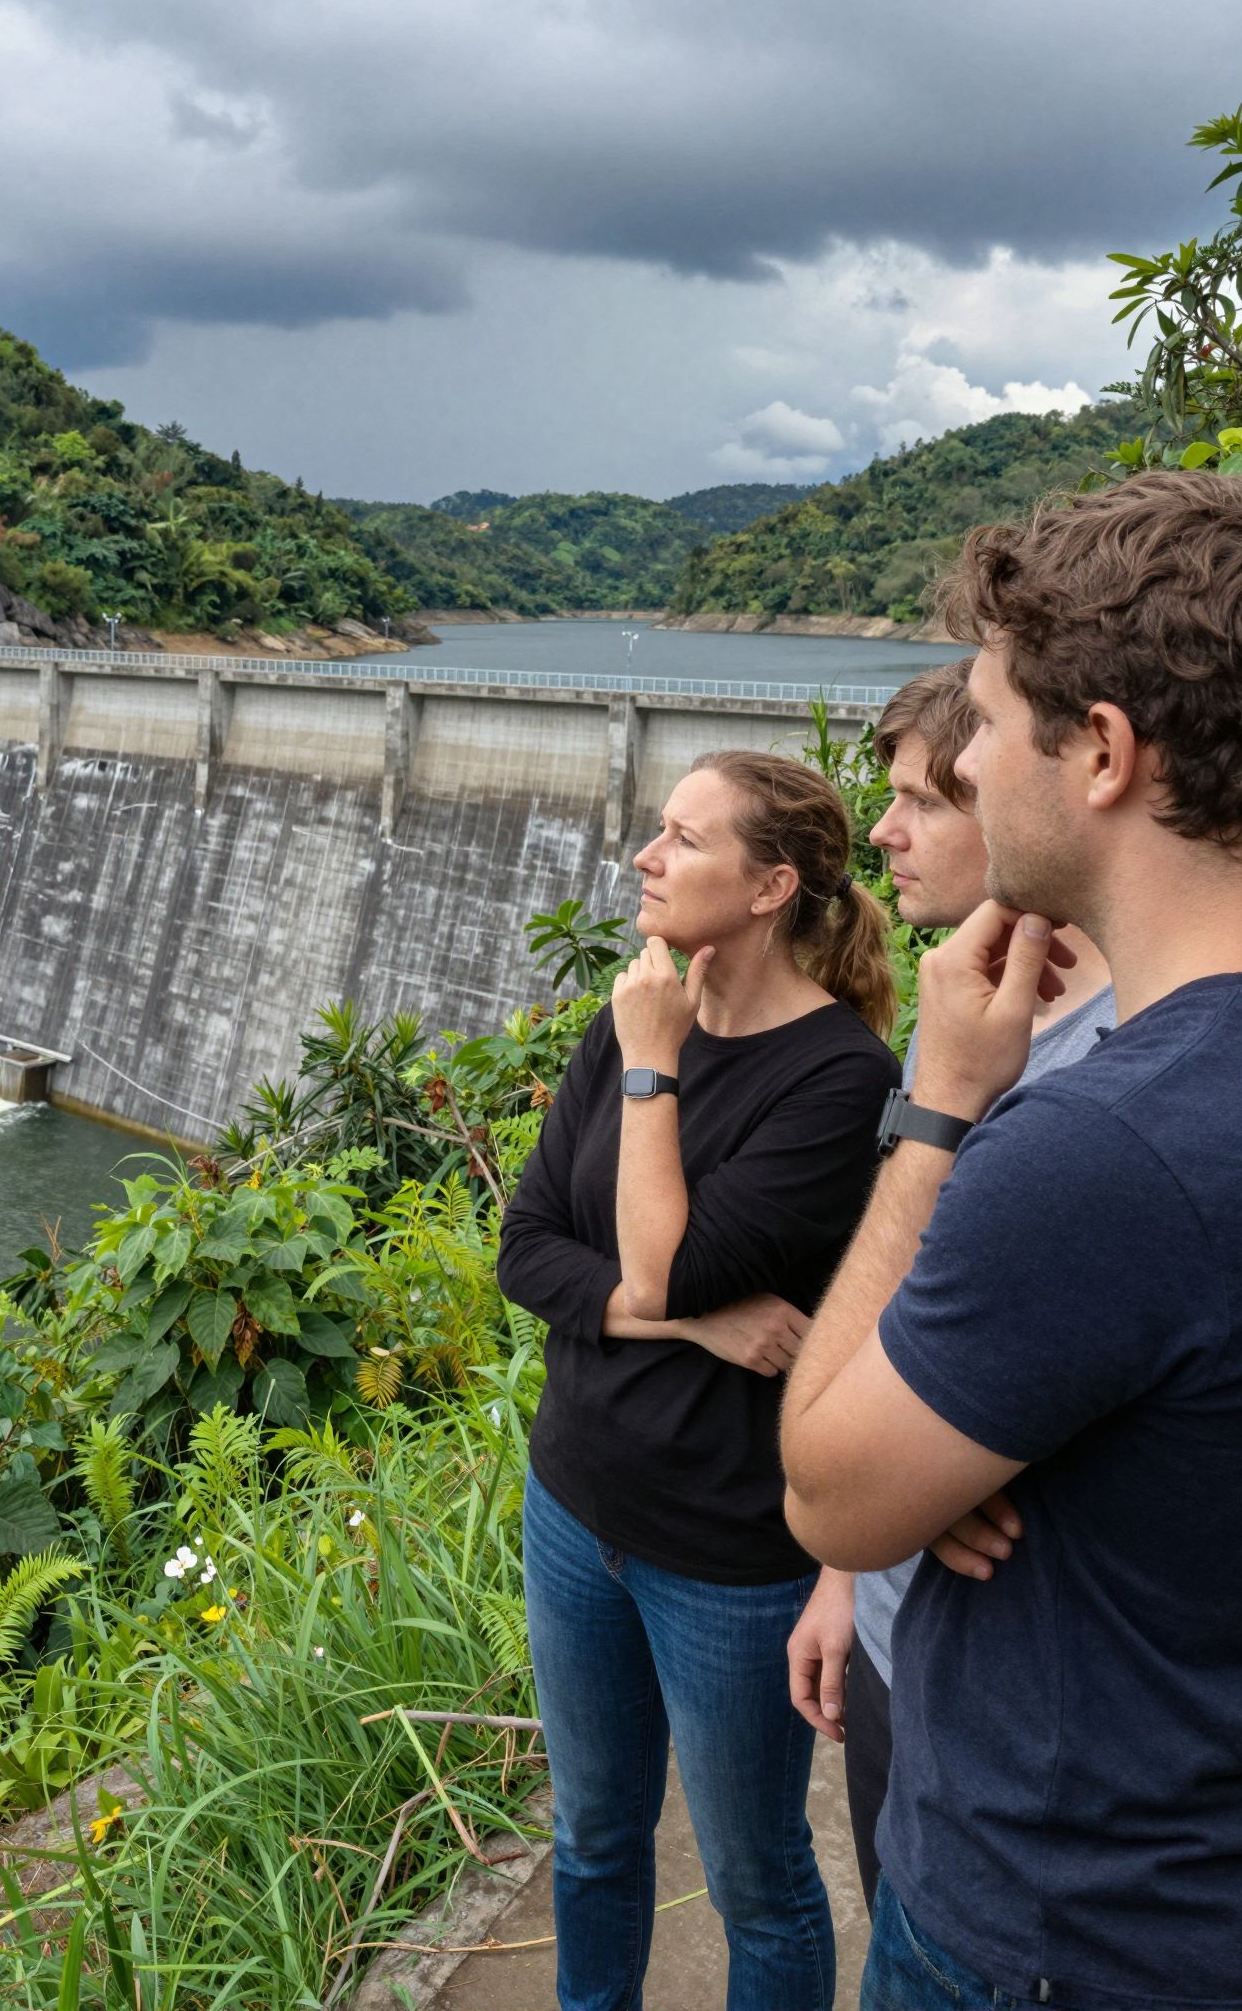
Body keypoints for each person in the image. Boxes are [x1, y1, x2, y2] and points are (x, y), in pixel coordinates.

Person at [781, 470, 1242, 2011]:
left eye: (991, 727)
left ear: (1106, 755)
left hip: (1070, 1936)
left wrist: (936, 1111)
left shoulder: (1113, 1148)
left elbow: (831, 1488)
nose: (970, 762)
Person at [497, 748, 900, 2011]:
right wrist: (690, 1330)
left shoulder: (838, 1081)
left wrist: (655, 1067)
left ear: (772, 885)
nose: (645, 856)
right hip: (574, 1504)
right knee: (593, 1837)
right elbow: (526, 1250)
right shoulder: (624, 1019)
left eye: (682, 837)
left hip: (729, 1554)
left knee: (757, 1880)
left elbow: (655, 1263)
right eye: (654, 830)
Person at [784, 658, 1114, 1909]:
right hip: (890, 1601)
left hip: (1017, 1666)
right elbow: (898, 1263)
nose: (885, 829)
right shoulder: (958, 1007)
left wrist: (940, 1456)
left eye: (931, 794)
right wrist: (843, 1574)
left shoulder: (1133, 1041)